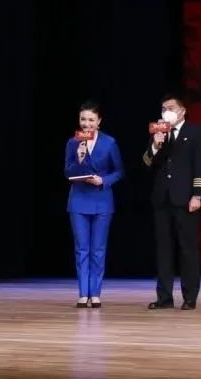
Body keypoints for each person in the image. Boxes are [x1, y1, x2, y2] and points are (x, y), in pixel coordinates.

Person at [142, 92, 201, 310]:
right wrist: (155, 145)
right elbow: (147, 162)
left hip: (185, 198)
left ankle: (190, 297)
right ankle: (164, 297)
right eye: (163, 109)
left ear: (182, 111)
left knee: (187, 249)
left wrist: (197, 194)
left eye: (170, 108)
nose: (166, 112)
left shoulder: (195, 132)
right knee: (164, 249)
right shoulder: (159, 132)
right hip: (162, 198)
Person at [64, 100, 124, 308]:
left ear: (99, 121)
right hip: (78, 201)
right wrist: (79, 160)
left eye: (91, 120)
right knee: (82, 249)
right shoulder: (73, 142)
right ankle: (83, 294)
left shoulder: (109, 142)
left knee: (98, 249)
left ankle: (95, 293)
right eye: (83, 119)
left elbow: (119, 171)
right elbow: (67, 171)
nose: (86, 124)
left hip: (101, 201)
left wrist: (103, 181)